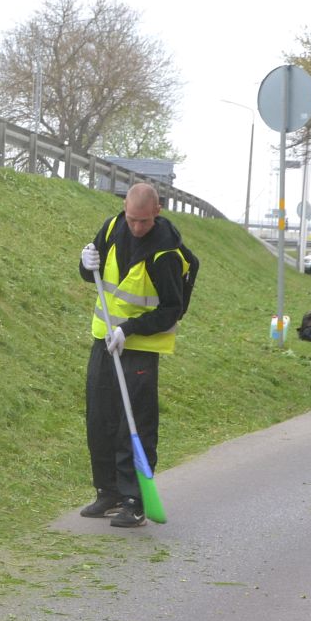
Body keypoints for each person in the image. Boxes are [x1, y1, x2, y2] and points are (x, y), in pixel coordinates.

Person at [76, 183, 197, 528]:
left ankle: (135, 499)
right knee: (101, 418)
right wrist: (85, 265)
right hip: (104, 341)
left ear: (157, 211)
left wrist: (128, 329)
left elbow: (170, 311)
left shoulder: (166, 255)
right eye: (132, 219)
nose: (137, 228)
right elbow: (92, 275)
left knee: (136, 425)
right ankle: (108, 491)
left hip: (140, 348)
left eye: (143, 221)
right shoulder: (113, 228)